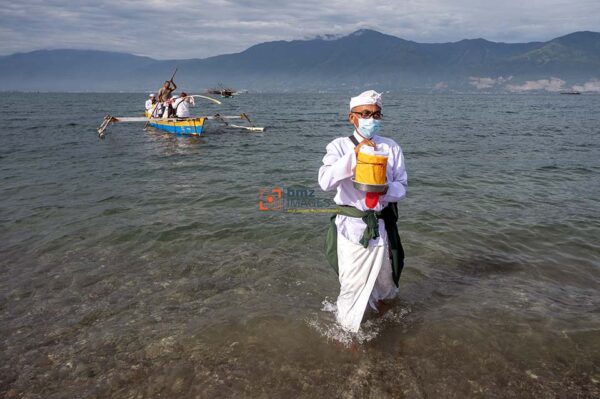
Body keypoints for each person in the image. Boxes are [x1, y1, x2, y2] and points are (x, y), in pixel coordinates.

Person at [318, 90, 407, 333]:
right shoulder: (339, 146)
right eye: (366, 114)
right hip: (352, 227)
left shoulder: (391, 147)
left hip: (382, 226)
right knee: (352, 285)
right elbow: (325, 181)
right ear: (352, 117)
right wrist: (354, 157)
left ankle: (387, 326)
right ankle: (346, 336)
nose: (372, 119)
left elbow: (402, 186)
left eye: (376, 115)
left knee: (386, 283)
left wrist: (385, 189)